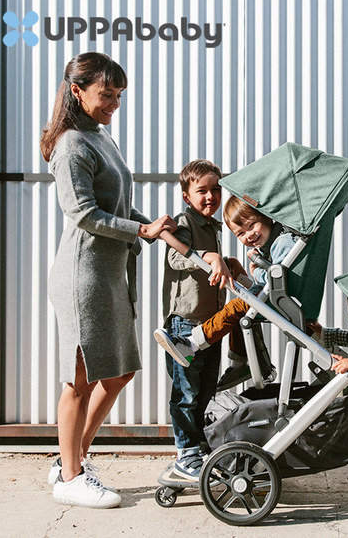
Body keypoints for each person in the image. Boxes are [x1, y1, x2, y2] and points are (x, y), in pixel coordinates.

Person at [40, 52, 176, 509]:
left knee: (119, 373)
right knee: (78, 380)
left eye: (119, 95)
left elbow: (114, 206)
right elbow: (82, 213)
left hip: (109, 274)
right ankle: (70, 477)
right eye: (107, 94)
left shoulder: (100, 136)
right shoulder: (70, 145)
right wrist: (140, 230)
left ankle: (72, 458)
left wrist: (153, 227)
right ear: (77, 91)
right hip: (84, 277)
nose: (114, 104)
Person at [153, 160, 244, 481]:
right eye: (202, 191)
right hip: (185, 325)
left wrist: (228, 261)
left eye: (216, 190)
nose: (210, 197)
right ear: (186, 196)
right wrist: (209, 256)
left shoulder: (213, 226)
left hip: (210, 325)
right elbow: (176, 256)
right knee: (187, 394)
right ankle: (186, 453)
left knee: (205, 391)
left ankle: (201, 448)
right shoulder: (184, 222)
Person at [155, 195, 295, 391]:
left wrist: (257, 271)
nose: (249, 235)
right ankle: (240, 363)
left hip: (282, 298)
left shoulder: (283, 242)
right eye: (241, 233)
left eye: (252, 225)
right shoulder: (271, 243)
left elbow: (277, 277)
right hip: (275, 296)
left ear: (266, 216)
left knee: (236, 307)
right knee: (243, 310)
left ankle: (191, 344)